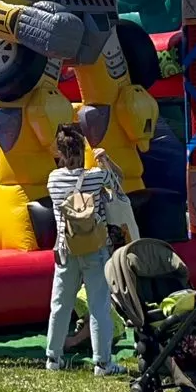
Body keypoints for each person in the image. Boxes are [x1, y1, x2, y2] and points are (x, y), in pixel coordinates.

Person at [43, 124, 121, 377]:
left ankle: (53, 358)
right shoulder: (95, 176)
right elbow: (117, 184)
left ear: (61, 151)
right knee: (100, 305)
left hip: (65, 247)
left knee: (60, 304)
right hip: (95, 247)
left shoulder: (53, 179)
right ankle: (103, 363)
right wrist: (105, 160)